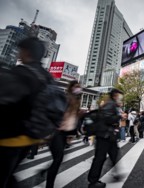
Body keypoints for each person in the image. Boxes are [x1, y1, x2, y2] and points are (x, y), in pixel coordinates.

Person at [0, 37, 51, 188]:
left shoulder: (19, 74)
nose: (17, 54)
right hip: (30, 137)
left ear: (26, 52)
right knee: (7, 175)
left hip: (8, 136)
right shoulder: (47, 77)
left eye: (20, 50)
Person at [46, 80, 82, 188]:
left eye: (79, 87)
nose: (78, 89)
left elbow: (72, 120)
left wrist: (71, 134)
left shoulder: (76, 101)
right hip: (56, 131)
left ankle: (45, 172)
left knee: (58, 159)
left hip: (64, 134)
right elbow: (55, 113)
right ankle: (49, 185)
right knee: (58, 159)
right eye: (76, 87)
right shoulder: (66, 98)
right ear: (71, 88)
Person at [88, 89, 126, 188]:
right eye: (119, 96)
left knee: (114, 154)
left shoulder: (111, 103)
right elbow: (107, 118)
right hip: (104, 135)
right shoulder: (110, 104)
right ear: (115, 95)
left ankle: (116, 173)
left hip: (108, 135)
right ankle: (93, 182)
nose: (120, 98)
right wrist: (120, 116)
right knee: (100, 158)